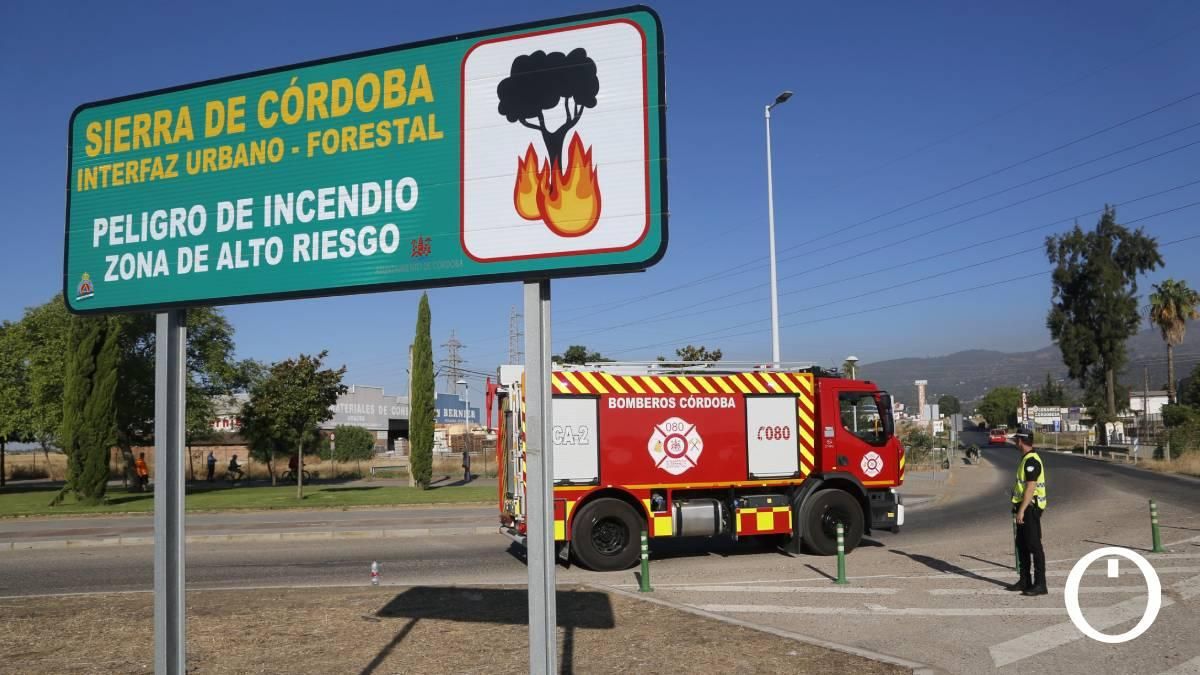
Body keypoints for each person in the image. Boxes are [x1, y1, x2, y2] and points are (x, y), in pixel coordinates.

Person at [1006, 431, 1048, 596]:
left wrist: (1022, 510)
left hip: (1030, 508)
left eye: (1016, 440)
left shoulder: (1031, 461)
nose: (1015, 443)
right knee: (1021, 545)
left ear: (1021, 441)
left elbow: (1031, 487)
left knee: (1034, 546)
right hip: (1023, 507)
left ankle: (1040, 584)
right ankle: (1025, 580)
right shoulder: (1026, 459)